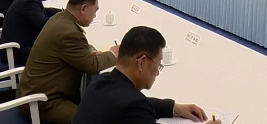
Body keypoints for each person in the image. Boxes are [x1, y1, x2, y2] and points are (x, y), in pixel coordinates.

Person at [72, 26, 220, 124]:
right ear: (142, 63)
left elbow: (138, 104)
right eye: (158, 64)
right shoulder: (134, 107)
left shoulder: (100, 82)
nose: (157, 72)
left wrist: (174, 107)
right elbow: (137, 106)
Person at [16, 0, 119, 124]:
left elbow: (70, 48)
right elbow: (92, 65)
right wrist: (114, 53)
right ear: (83, 9)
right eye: (95, 11)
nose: (95, 16)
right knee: (95, 120)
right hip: (43, 102)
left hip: (39, 91)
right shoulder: (69, 32)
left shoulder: (61, 19)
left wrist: (85, 52)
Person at [0, 0, 59, 65]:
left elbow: (41, 11)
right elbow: (44, 24)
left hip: (16, 45)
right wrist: (64, 20)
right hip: (15, 52)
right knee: (58, 52)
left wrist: (61, 12)